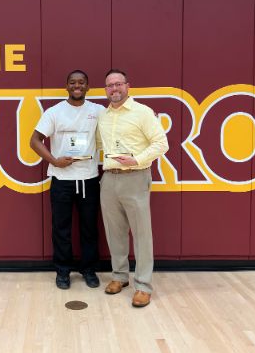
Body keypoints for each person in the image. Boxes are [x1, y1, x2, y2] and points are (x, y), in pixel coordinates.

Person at [97, 69, 169, 307]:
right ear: (105, 89)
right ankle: (119, 276)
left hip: (136, 177)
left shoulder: (143, 113)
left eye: (118, 84)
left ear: (128, 86)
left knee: (141, 234)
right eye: (110, 85)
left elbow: (162, 143)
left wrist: (137, 160)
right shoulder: (103, 116)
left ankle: (143, 285)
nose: (114, 89)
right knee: (114, 232)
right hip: (109, 178)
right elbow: (99, 145)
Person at [30, 70, 105, 289]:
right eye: (72, 82)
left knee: (89, 228)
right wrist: (54, 160)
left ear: (88, 87)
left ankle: (89, 269)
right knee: (61, 228)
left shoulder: (98, 111)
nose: (77, 86)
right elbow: (34, 141)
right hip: (61, 180)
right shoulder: (54, 112)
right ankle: (63, 271)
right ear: (66, 86)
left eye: (81, 82)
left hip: (89, 179)